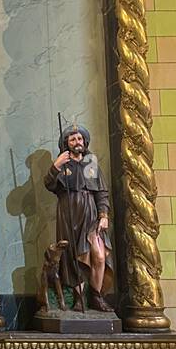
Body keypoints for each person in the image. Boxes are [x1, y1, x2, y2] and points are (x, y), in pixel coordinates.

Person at [44, 123, 114, 312]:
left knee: (99, 256)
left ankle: (96, 295)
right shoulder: (62, 164)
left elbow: (101, 192)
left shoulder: (91, 163)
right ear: (67, 143)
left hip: (91, 214)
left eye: (80, 138)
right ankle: (79, 298)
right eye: (73, 139)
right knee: (74, 257)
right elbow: (49, 184)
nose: (77, 142)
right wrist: (56, 165)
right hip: (69, 215)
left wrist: (103, 215)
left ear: (85, 141)